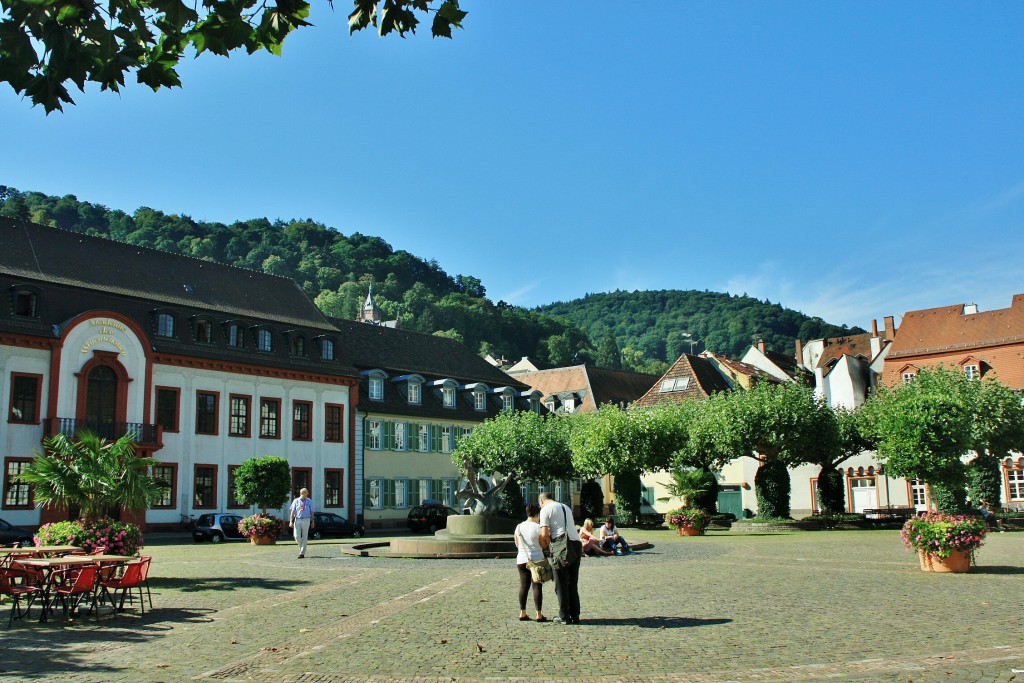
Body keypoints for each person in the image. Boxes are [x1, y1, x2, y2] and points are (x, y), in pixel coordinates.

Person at [538, 491, 583, 624]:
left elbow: (544, 533)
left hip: (560, 545)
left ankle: (564, 616)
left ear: (541, 501)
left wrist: (545, 546)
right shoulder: (565, 507)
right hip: (575, 543)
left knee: (560, 582)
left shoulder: (545, 510)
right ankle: (575, 615)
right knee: (572, 581)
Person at [513, 504, 548, 622]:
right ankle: (539, 614)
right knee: (537, 586)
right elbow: (543, 545)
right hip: (537, 559)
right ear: (537, 515)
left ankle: (522, 612)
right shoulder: (537, 527)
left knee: (523, 586)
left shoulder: (518, 527)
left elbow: (517, 544)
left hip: (522, 559)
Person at [289, 488, 316, 558]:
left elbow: (312, 512)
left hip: (306, 519)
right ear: (302, 493)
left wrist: (312, 521)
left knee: (305, 536)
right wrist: (291, 521)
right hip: (297, 519)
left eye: (307, 492)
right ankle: (301, 547)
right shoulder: (296, 501)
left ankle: (302, 553)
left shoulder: (309, 501)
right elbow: (292, 511)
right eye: (306, 492)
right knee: (297, 536)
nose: (307, 493)